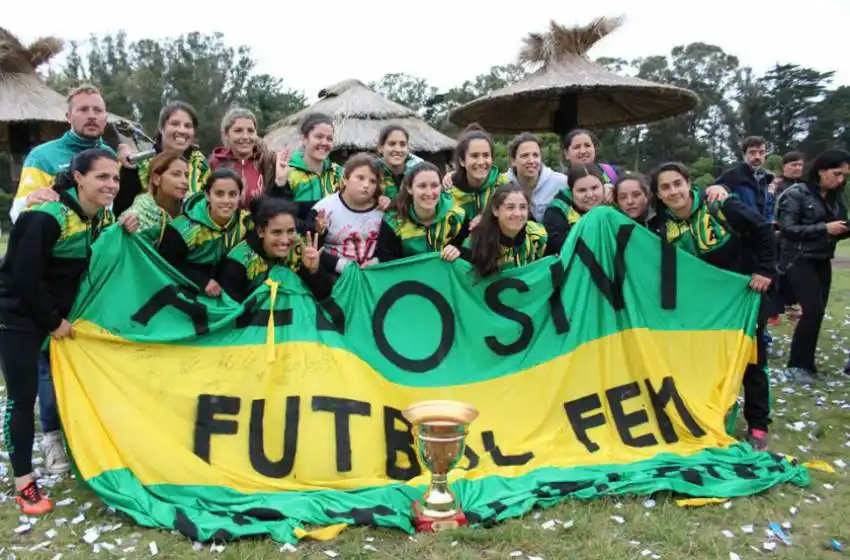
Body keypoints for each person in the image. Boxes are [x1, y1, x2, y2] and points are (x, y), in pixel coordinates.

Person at [0, 148, 118, 514]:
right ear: (78, 177)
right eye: (102, 177)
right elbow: (22, 277)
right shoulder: (46, 216)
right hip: (16, 318)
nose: (111, 185)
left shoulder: (94, 219)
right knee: (22, 397)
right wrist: (53, 322)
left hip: (54, 318)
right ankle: (24, 484)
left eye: (115, 178)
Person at [9, 84, 113, 476]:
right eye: (84, 109)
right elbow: (24, 211)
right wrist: (36, 202)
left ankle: (77, 432)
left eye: (98, 110)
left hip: (83, 277)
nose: (92, 116)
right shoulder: (44, 156)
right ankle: (52, 437)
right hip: (42, 274)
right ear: (68, 116)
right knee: (46, 361)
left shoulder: (112, 157)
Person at [649, 162, 775, 451]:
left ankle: (758, 424)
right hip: (701, 308)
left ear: (688, 182)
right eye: (665, 187)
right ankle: (711, 414)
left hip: (742, 298)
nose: (673, 191)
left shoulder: (720, 205)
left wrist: (765, 270)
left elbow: (762, 230)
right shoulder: (660, 226)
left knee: (752, 360)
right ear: (658, 193)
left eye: (677, 183)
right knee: (706, 362)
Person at [775, 149, 850, 384]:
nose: (841, 180)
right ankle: (796, 365)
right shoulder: (797, 194)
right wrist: (823, 229)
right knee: (813, 309)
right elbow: (786, 228)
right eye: (837, 174)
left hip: (822, 259)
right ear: (821, 170)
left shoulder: (836, 199)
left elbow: (839, 226)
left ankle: (807, 365)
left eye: (845, 175)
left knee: (816, 313)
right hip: (798, 259)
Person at [218, 198, 333, 303]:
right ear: (261, 232)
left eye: (290, 231)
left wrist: (313, 271)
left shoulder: (300, 247)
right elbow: (232, 309)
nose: (285, 240)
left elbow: (323, 295)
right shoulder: (237, 261)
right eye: (276, 232)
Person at [158, 169, 250, 296]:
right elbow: (166, 265)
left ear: (240, 195)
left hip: (225, 286)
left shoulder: (246, 222)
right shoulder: (181, 228)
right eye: (219, 194)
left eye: (233, 194)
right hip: (185, 287)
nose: (226, 200)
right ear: (207, 195)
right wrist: (201, 281)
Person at [115, 101, 209, 217]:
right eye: (175, 124)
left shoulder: (201, 164)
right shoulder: (139, 163)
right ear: (161, 128)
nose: (182, 130)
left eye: (188, 126)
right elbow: (120, 210)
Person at [376, 162, 467, 262]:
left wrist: (457, 250)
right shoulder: (393, 223)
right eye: (422, 186)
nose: (429, 193)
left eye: (434, 185)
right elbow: (388, 264)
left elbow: (469, 251)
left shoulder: (457, 215)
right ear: (409, 188)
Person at [268, 113, 343, 228]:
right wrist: (280, 183)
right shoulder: (289, 172)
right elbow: (276, 212)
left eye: (329, 139)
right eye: (319, 137)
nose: (324, 143)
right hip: (299, 241)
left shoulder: (339, 173)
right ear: (304, 139)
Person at [313, 153, 384, 275]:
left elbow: (391, 249)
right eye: (360, 178)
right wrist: (343, 267)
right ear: (345, 178)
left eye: (372, 181)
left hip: (374, 276)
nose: (366, 185)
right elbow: (313, 249)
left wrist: (376, 262)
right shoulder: (324, 208)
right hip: (335, 278)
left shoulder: (382, 210)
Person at [464, 183, 548, 278]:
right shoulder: (476, 240)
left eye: (523, 207)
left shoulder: (537, 236)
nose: (517, 213)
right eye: (510, 207)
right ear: (495, 210)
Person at [209, 108, 277, 210]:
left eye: (250, 131)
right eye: (238, 131)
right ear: (227, 134)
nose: (245, 136)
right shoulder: (215, 163)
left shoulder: (269, 161)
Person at [445, 124, 511, 226]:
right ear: (462, 161)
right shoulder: (450, 193)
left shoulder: (504, 185)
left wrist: (489, 219)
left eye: (486, 155)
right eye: (474, 156)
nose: (481, 162)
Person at [119, 153, 189, 246]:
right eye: (176, 174)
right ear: (156, 179)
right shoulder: (135, 216)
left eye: (186, 175)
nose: (185, 181)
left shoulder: (194, 208)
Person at [543, 163, 607, 256]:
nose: (589, 195)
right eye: (582, 190)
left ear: (603, 187)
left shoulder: (613, 205)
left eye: (594, 188)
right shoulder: (556, 210)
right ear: (571, 191)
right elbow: (564, 248)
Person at [503, 133, 566, 221]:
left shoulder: (561, 183)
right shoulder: (501, 183)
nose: (532, 161)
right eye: (525, 156)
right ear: (513, 161)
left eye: (535, 155)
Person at [713, 136, 774, 220]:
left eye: (761, 152)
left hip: (762, 230)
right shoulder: (732, 175)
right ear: (744, 154)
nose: (757, 157)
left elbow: (768, 207)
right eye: (752, 152)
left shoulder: (766, 178)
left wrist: (769, 225)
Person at [375, 124, 424, 200]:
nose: (398, 149)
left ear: (408, 148)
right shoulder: (373, 171)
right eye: (392, 144)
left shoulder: (420, 170)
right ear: (380, 148)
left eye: (403, 144)